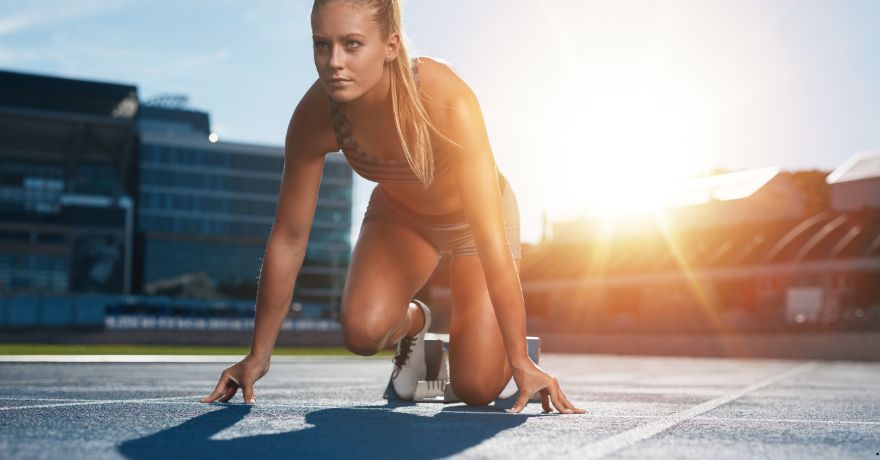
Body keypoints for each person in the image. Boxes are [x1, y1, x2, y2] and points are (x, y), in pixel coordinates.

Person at [200, 0, 585, 415]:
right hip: (402, 218)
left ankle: (507, 350)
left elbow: (490, 239)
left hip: (477, 226)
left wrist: (518, 359)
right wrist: (258, 356)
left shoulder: (446, 98)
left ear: (390, 44)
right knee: (361, 333)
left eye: (352, 44)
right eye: (321, 45)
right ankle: (417, 325)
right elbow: (290, 238)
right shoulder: (315, 117)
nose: (334, 63)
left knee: (475, 388)